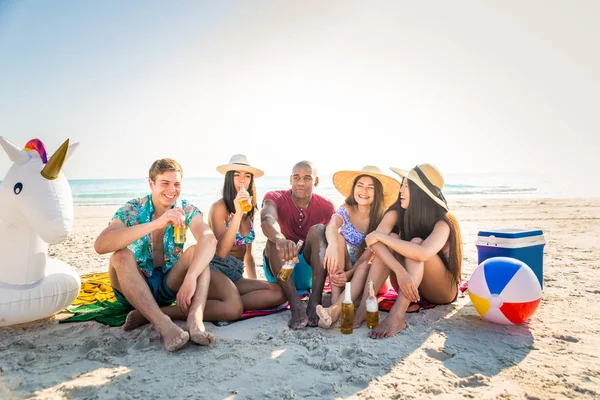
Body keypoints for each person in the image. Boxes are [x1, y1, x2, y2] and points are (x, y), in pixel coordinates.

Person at [95, 159, 239, 351]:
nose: (172, 190)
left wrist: (190, 277)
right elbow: (101, 245)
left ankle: (195, 319)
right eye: (165, 183)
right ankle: (162, 324)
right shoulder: (133, 208)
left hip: (167, 285)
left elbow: (209, 239)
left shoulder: (185, 209)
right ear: (151, 184)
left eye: (177, 184)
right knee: (120, 256)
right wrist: (157, 223)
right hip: (134, 285)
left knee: (199, 252)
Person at [354, 163, 462, 339]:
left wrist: (383, 238)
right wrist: (399, 270)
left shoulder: (443, 222)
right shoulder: (396, 212)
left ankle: (397, 316)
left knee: (415, 244)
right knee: (392, 242)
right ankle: (364, 307)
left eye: (406, 186)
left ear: (420, 193)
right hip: (408, 283)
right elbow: (373, 243)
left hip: (441, 290)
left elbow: (422, 253)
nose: (401, 190)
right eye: (401, 184)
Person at [314, 166, 400, 328]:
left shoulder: (382, 217)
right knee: (338, 238)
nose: (364, 191)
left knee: (363, 267)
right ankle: (335, 299)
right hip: (343, 273)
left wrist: (349, 274)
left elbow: (367, 258)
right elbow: (332, 224)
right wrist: (332, 245)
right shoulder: (347, 208)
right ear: (354, 188)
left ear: (378, 192)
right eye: (360, 185)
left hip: (370, 278)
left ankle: (334, 310)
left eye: (370, 187)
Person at [261, 160, 335, 329]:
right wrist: (280, 239)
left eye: (307, 178)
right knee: (272, 241)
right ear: (290, 180)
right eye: (297, 177)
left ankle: (314, 301)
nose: (301, 182)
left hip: (311, 272)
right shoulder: (275, 197)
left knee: (319, 230)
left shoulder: (326, 206)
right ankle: (295, 305)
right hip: (281, 271)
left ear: (315, 181)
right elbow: (267, 219)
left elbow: (334, 240)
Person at [208, 154, 286, 311]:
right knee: (259, 296)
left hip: (236, 275)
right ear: (229, 178)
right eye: (236, 175)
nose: (242, 180)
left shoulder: (248, 211)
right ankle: (226, 304)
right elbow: (222, 252)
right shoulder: (219, 208)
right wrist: (237, 213)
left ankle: (226, 304)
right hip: (215, 272)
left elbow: (248, 255)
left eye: (247, 176)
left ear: (251, 181)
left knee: (278, 292)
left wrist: (255, 284)